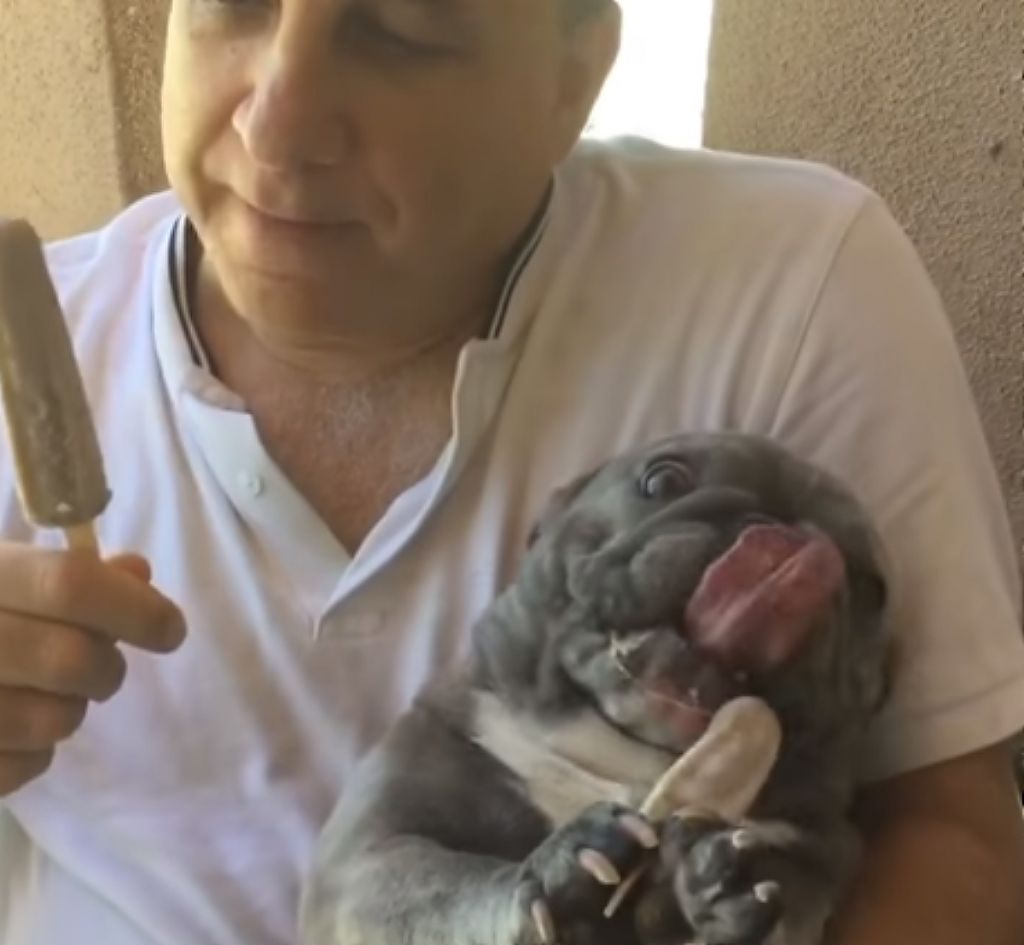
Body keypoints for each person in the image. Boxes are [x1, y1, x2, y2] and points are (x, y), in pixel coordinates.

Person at [1, 0, 1023, 942]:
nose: (276, 124)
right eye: (231, 3)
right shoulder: (45, 338)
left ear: (573, 76)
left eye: (398, 30)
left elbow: (954, 834)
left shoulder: (789, 289)